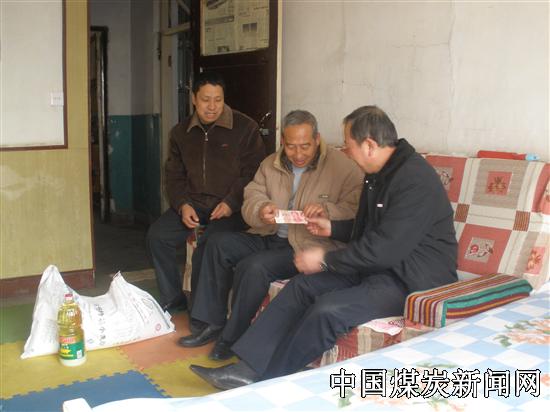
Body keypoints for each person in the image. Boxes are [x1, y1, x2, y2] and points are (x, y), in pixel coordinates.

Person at [189, 105, 458, 390]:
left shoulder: (413, 180)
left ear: (369, 145)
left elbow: (385, 249)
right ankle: (247, 368)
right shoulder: (378, 173)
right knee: (301, 287)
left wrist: (325, 259)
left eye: (349, 145)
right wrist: (333, 228)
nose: (346, 151)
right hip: (377, 267)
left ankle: (270, 382)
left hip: (411, 280)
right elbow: (370, 232)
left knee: (328, 310)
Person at [179, 110, 364, 361]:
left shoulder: (343, 167)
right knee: (217, 243)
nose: (298, 154)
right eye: (291, 146)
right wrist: (261, 209)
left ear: (317, 139)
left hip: (304, 244)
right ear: (282, 142)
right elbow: (252, 195)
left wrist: (326, 210)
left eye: (305, 146)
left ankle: (231, 339)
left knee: (254, 267)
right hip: (268, 234)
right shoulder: (271, 164)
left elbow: (356, 209)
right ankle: (210, 324)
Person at [147, 72, 265, 314]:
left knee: (209, 244)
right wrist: (182, 204)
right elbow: (174, 175)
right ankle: (173, 299)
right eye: (205, 100)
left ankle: (203, 312)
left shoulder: (245, 128)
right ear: (193, 99)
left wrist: (231, 202)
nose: (212, 106)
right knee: (157, 237)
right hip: (194, 203)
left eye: (218, 100)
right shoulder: (180, 133)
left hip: (232, 207)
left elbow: (253, 173)